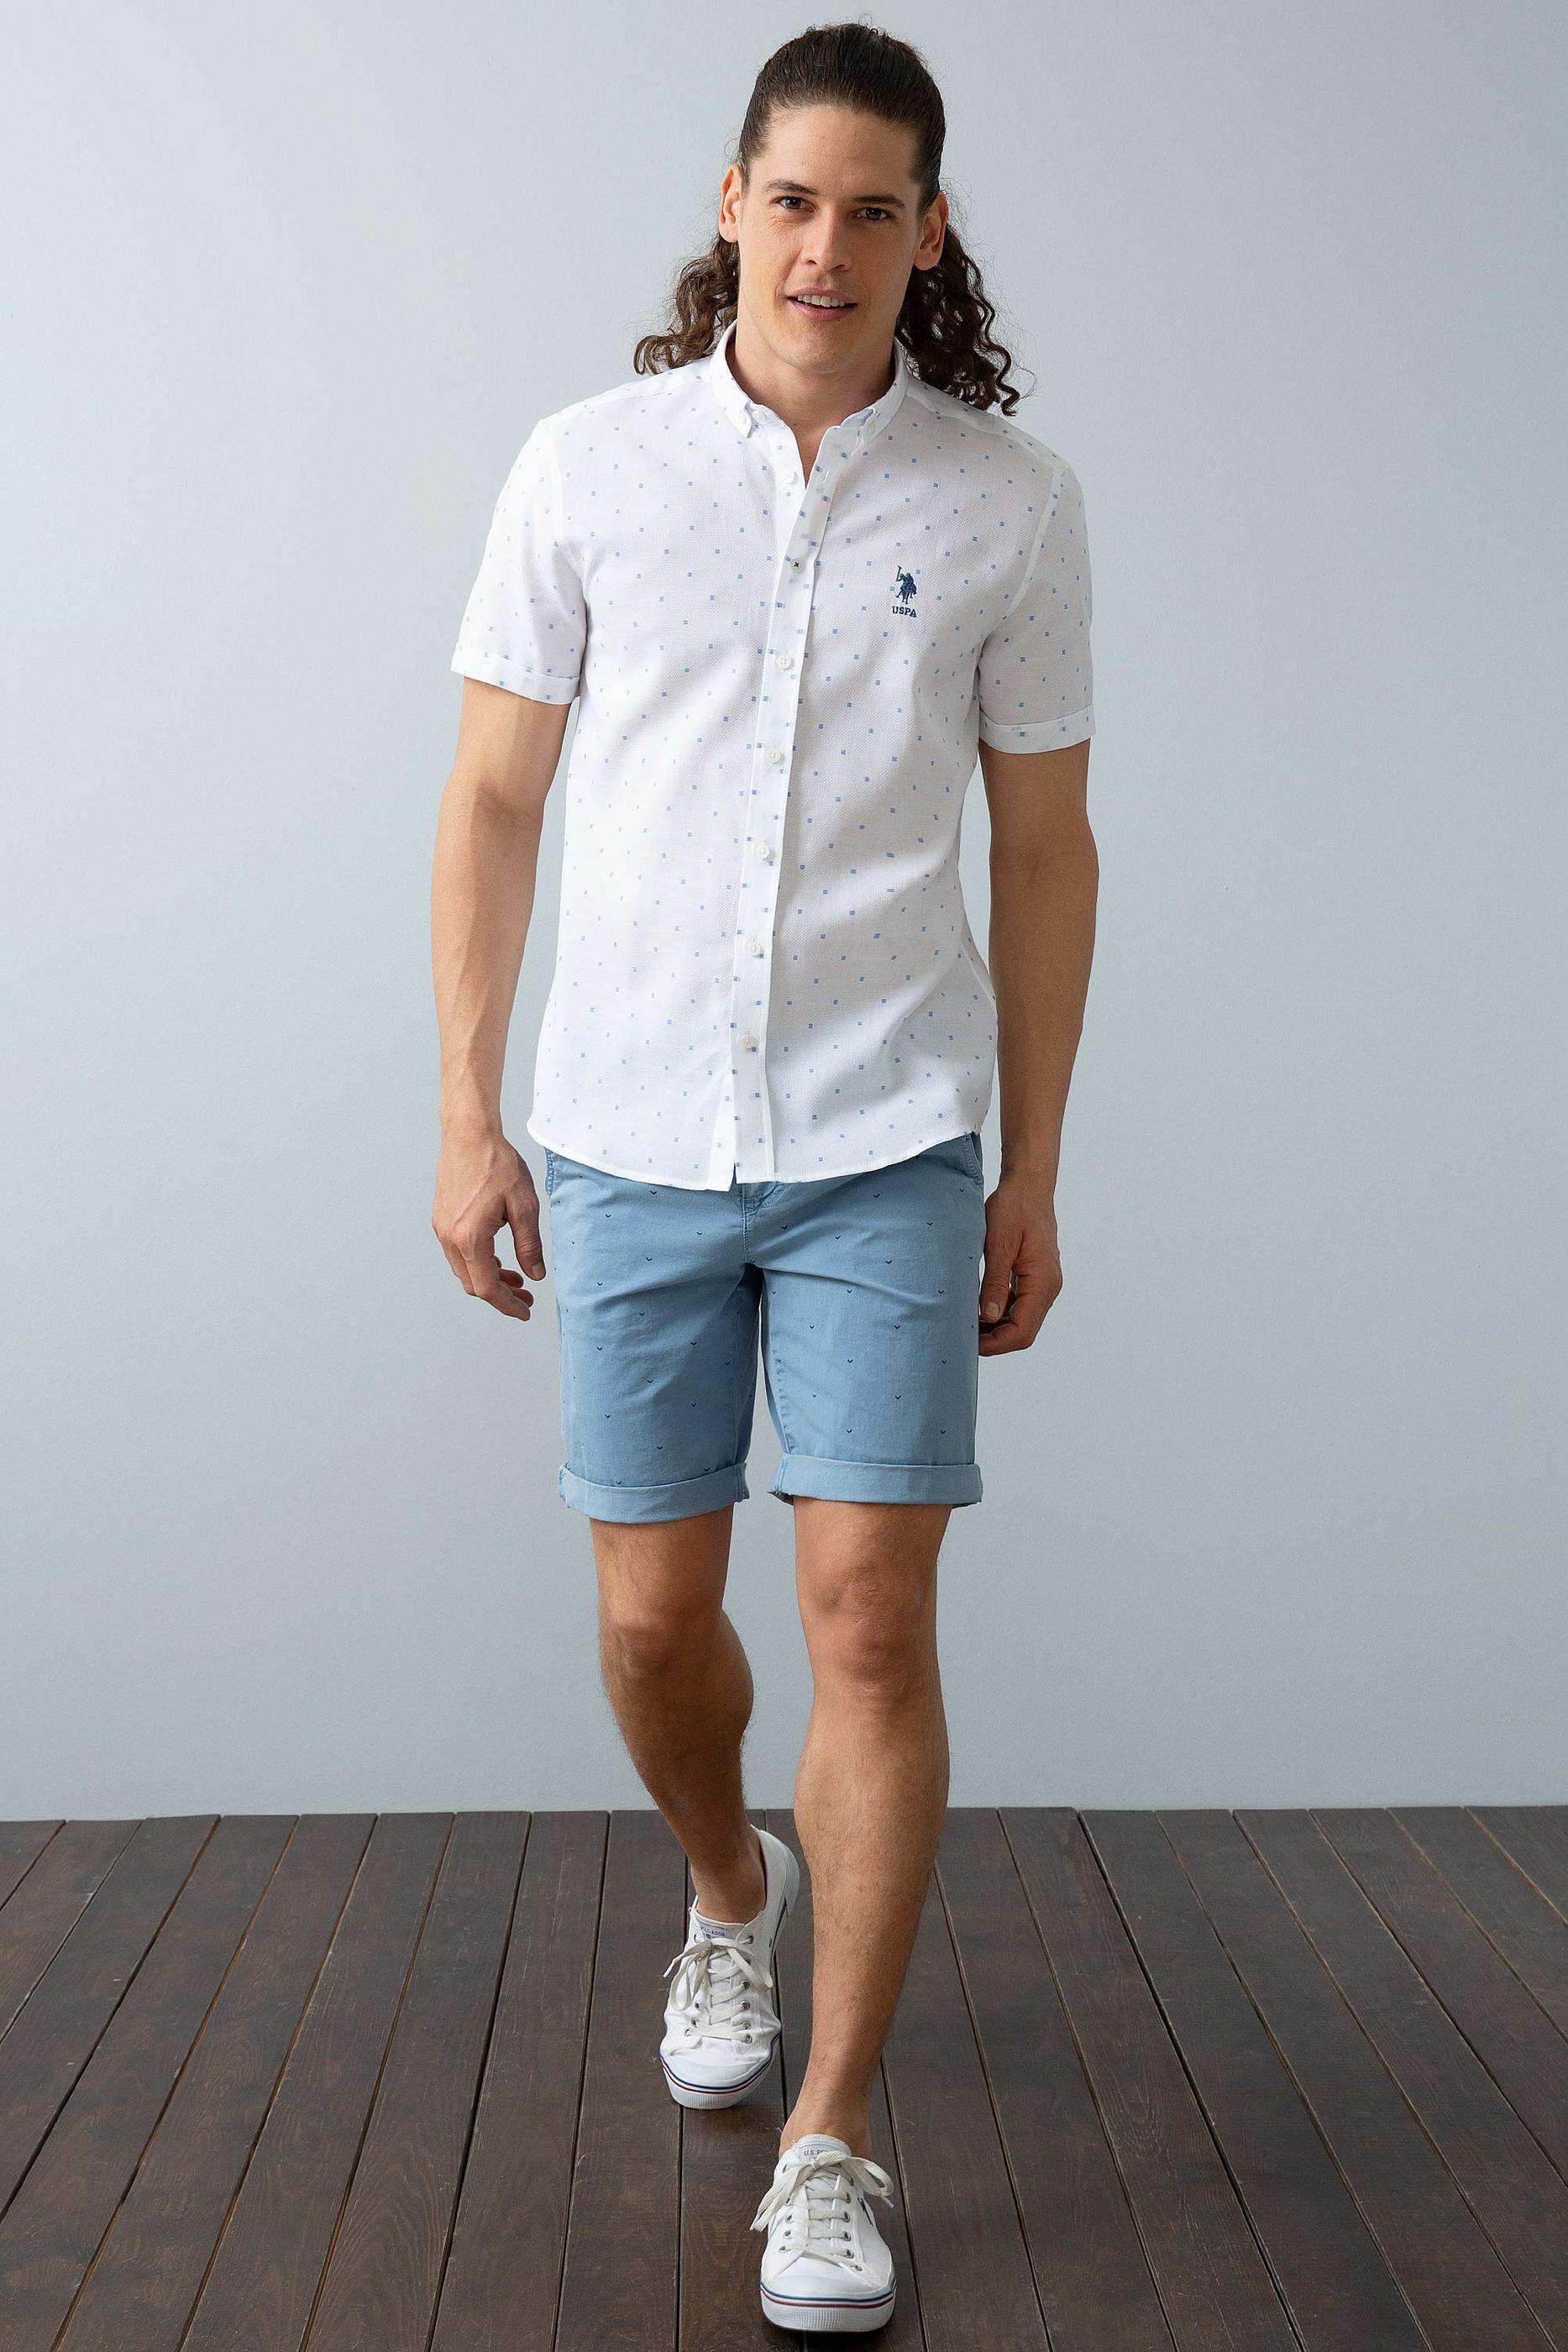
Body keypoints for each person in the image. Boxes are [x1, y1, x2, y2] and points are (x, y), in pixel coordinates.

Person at [431, 21, 1096, 2334]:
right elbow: (492, 800)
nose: (828, 246)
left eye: (873, 209)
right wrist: (466, 1108)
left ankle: (828, 2135)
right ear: (733, 205)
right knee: (648, 1621)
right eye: (794, 200)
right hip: (624, 1129)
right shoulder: (586, 469)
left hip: (887, 1134)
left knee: (872, 1618)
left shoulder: (1008, 505)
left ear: (928, 233)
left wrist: (1032, 1161)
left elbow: (1045, 849)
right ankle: (731, 1886)